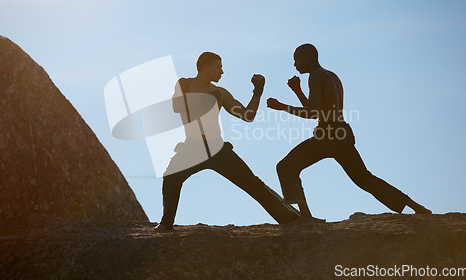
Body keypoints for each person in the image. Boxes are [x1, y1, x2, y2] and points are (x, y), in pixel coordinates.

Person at [267, 44, 431, 225]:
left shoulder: (316, 77)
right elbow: (319, 110)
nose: (295, 64)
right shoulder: (330, 75)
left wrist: (282, 107)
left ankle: (306, 217)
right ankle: (416, 207)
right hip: (341, 133)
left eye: (298, 59)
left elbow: (312, 113)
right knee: (363, 178)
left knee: (286, 167)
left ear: (311, 57)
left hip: (327, 135)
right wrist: (298, 91)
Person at [155, 52, 300, 231]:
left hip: (217, 148)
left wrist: (257, 91)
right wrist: (207, 100)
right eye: (218, 67)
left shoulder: (221, 93)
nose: (222, 72)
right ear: (205, 67)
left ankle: (291, 219)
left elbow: (248, 116)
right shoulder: (184, 84)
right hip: (193, 147)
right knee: (171, 177)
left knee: (253, 184)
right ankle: (165, 224)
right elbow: (178, 107)